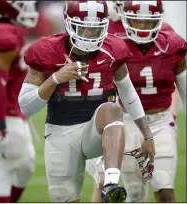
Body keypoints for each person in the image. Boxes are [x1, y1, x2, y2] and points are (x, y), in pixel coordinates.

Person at [18, 0, 155, 202]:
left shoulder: (114, 49)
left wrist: (148, 136)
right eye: (83, 27)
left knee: (111, 109)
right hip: (60, 131)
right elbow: (26, 106)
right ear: (68, 23)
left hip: (96, 132)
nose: (89, 34)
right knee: (65, 197)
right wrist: (55, 78)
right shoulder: (47, 50)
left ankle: (111, 183)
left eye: (95, 28)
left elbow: (128, 93)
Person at [87, 0, 187, 202]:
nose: (142, 26)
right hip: (126, 121)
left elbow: (182, 84)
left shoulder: (172, 43)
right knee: (135, 192)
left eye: (148, 21)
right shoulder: (113, 42)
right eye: (138, 20)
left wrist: (174, 111)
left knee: (164, 184)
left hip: (160, 120)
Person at [0, 1, 39, 202]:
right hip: (3, 111)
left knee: (24, 165)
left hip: (11, 108)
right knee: (8, 166)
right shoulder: (5, 36)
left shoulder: (9, 30)